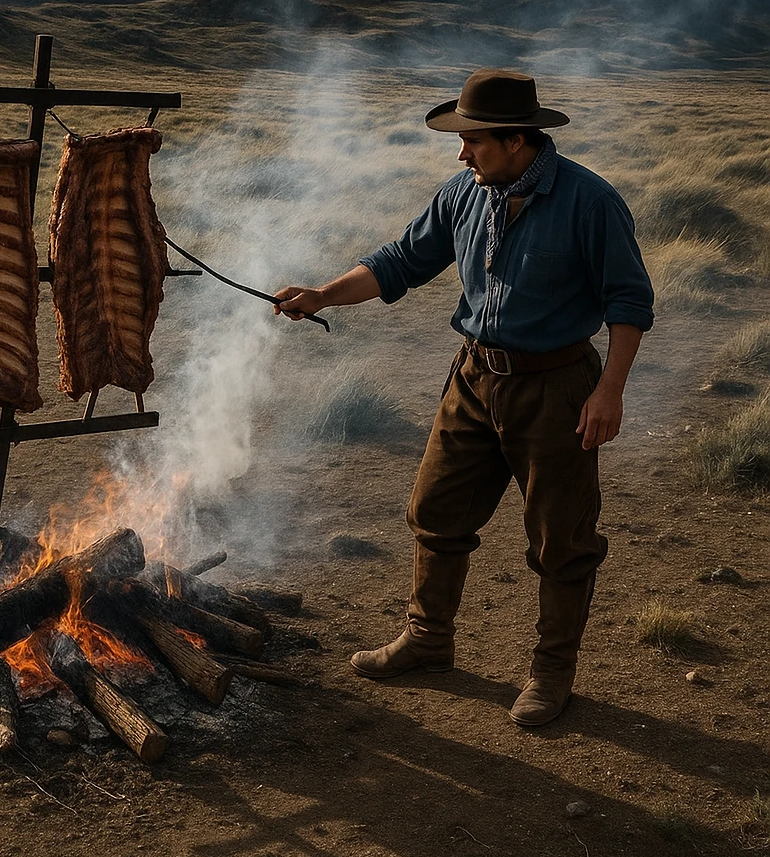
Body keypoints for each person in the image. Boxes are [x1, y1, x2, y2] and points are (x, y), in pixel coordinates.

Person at [274, 68, 654, 727]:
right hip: (474, 377)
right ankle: (428, 640)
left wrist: (609, 390)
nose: (460, 152)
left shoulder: (590, 202)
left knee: (561, 539)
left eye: (471, 139)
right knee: (435, 511)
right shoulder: (464, 192)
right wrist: (322, 295)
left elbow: (629, 300)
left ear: (515, 139)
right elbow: (400, 261)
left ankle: (551, 671)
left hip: (558, 388)